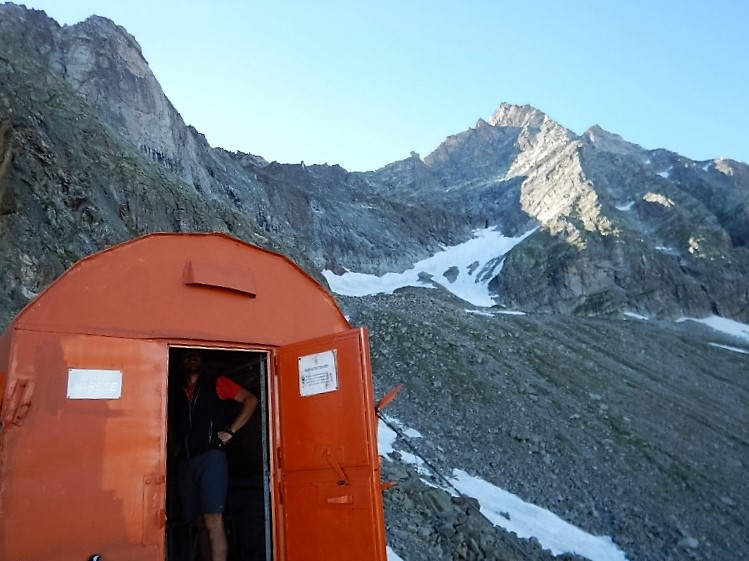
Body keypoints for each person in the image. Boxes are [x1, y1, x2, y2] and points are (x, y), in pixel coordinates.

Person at [172, 349, 259, 561]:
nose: (192, 358)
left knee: (213, 520)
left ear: (202, 359)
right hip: (186, 461)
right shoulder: (177, 391)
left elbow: (251, 400)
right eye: (187, 355)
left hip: (211, 457)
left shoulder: (217, 382)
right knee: (200, 523)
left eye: (195, 355)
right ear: (181, 362)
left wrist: (230, 431)